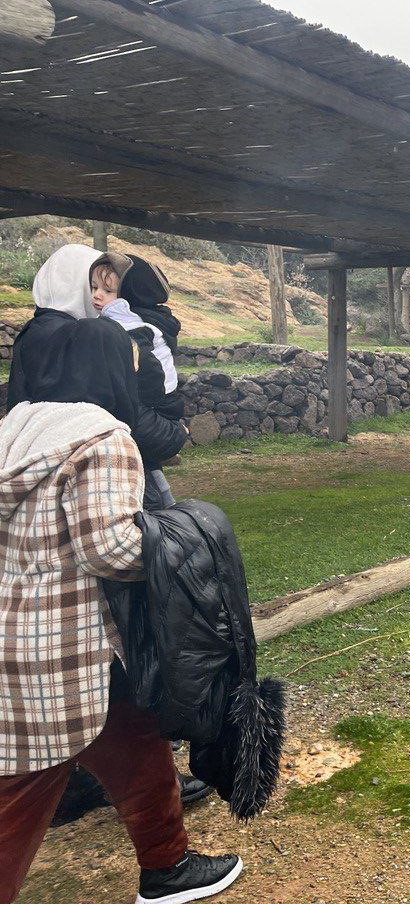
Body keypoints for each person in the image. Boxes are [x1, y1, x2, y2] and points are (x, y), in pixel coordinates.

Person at [0, 318, 242, 904]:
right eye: (131, 365)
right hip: (66, 648)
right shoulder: (103, 438)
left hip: (24, 636)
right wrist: (184, 543)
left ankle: (167, 867)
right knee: (18, 796)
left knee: (136, 736)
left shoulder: (16, 430)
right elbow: (108, 549)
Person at [90, 252, 184, 508]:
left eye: (108, 291)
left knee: (142, 490)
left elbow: (148, 381)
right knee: (148, 471)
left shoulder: (135, 328)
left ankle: (159, 517)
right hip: (158, 414)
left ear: (131, 296)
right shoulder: (146, 322)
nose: (97, 295)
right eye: (94, 287)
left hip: (154, 414)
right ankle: (167, 507)